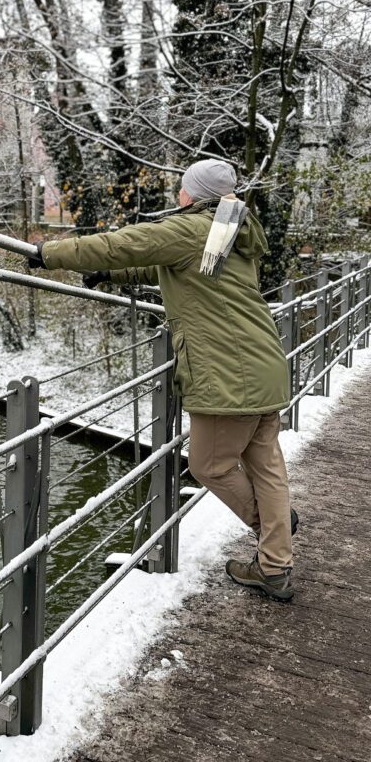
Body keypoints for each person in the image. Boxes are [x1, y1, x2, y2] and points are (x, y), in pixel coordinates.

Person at [30, 159, 295, 602]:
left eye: (183, 188)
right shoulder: (225, 233)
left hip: (229, 376)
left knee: (208, 465)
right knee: (266, 468)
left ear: (195, 194)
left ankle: (274, 531)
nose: (177, 194)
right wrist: (111, 276)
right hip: (262, 366)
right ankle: (275, 561)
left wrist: (47, 254)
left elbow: (121, 245)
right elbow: (166, 267)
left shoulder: (191, 229)